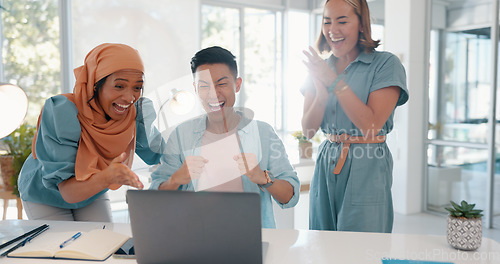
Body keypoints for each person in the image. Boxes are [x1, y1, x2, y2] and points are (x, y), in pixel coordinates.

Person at [149, 46, 300, 228]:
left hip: (250, 239)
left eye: (221, 84)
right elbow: (154, 200)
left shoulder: (263, 133)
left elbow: (291, 196)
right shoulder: (181, 135)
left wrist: (262, 177)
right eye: (204, 86)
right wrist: (175, 180)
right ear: (196, 89)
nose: (213, 93)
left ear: (237, 84)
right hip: (195, 240)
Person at [18, 43, 164, 221]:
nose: (129, 97)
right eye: (119, 86)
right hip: (46, 193)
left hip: (92, 188)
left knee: (104, 243)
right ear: (96, 84)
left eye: (137, 87)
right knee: (62, 247)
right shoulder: (62, 111)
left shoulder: (135, 112)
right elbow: (67, 191)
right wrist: (106, 177)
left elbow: (159, 154)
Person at [301, 0, 409, 233]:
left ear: (362, 24)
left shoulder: (386, 64)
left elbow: (370, 126)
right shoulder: (320, 67)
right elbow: (308, 131)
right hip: (326, 160)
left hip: (367, 161)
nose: (332, 30)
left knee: (362, 247)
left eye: (342, 21)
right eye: (327, 21)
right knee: (323, 241)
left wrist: (333, 82)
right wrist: (321, 94)